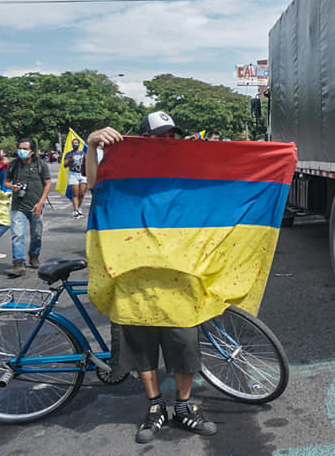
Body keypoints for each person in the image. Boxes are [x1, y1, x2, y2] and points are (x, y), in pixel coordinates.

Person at [85, 111, 217, 444]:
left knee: (184, 345)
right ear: (144, 139)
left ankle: (183, 407)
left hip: (179, 277)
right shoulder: (124, 169)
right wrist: (92, 145)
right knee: (142, 348)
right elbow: (94, 186)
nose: (169, 142)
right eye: (161, 136)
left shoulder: (186, 168)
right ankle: (155, 406)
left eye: (173, 135)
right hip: (135, 276)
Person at [4, 137, 52, 277]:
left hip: (36, 206)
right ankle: (19, 263)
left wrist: (41, 202)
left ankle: (34, 256)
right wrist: (12, 187)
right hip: (18, 206)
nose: (21, 151)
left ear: (32, 151)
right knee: (17, 235)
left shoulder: (41, 165)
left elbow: (48, 184)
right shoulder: (13, 165)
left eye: (25, 149)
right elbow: (6, 182)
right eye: (20, 148)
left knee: (36, 234)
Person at [64, 139, 88, 218]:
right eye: (74, 143)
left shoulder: (83, 153)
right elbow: (65, 165)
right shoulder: (69, 154)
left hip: (82, 174)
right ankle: (76, 210)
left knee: (81, 194)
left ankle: (79, 208)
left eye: (76, 143)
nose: (75, 144)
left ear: (79, 144)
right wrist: (69, 160)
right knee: (75, 194)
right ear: (72, 144)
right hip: (73, 174)